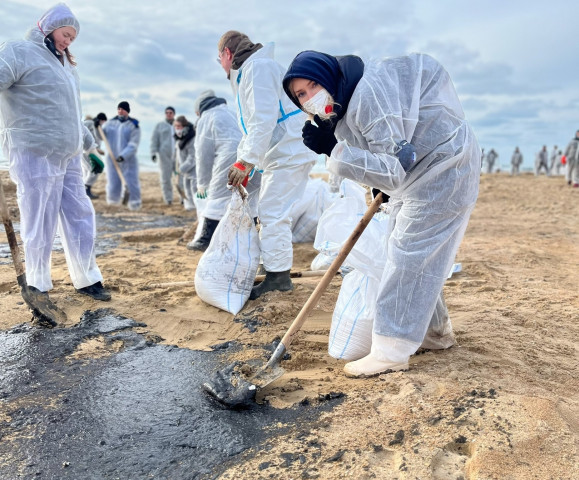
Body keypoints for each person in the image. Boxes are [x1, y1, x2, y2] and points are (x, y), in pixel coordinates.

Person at [283, 50, 480, 377]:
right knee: (406, 253)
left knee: (409, 252)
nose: (310, 98)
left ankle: (391, 350)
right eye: (301, 95)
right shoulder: (342, 106)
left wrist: (332, 149)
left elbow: (392, 167)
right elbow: (385, 156)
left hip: (443, 169)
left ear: (329, 77)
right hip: (418, 173)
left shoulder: (366, 95)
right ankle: (435, 333)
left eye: (314, 85)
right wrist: (377, 181)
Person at [0, 3, 111, 304]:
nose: (68, 41)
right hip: (34, 150)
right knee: (39, 218)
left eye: (73, 38)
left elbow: (72, 113)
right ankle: (37, 282)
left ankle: (87, 277)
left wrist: (89, 146)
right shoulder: (18, 51)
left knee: (80, 214)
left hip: (69, 154)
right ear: (48, 27)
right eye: (66, 34)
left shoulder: (67, 66)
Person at [217, 31, 317, 298]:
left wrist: (246, 162)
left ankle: (279, 278)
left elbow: (263, 120)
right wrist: (246, 161)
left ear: (227, 54)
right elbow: (253, 128)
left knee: (273, 211)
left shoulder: (257, 68)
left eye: (220, 60)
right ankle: (274, 267)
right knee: (270, 209)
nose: (221, 67)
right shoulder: (253, 70)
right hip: (283, 152)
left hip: (290, 150)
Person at [102, 101, 142, 210]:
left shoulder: (133, 125)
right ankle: (113, 202)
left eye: (123, 109)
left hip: (128, 160)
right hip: (112, 158)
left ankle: (134, 204)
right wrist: (97, 125)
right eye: (119, 109)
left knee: (131, 182)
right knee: (113, 181)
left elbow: (133, 144)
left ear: (127, 111)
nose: (120, 111)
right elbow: (101, 135)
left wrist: (123, 156)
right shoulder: (110, 123)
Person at [151, 106, 177, 205]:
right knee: (165, 179)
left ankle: (184, 199)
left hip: (178, 156)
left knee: (181, 178)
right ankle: (168, 199)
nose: (168, 114)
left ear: (174, 114)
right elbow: (154, 140)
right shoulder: (160, 126)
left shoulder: (178, 124)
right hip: (164, 155)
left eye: (170, 112)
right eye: (167, 113)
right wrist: (153, 153)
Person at [172, 115, 196, 211]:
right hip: (185, 171)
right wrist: (177, 168)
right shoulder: (180, 140)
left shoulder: (191, 138)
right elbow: (178, 157)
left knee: (195, 189)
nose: (176, 129)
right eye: (175, 127)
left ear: (184, 127)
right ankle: (189, 207)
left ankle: (198, 207)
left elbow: (192, 158)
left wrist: (180, 169)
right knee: (186, 189)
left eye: (178, 126)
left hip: (194, 170)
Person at [82, 113, 107, 199]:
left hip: (91, 151)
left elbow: (101, 137)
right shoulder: (89, 123)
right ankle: (86, 189)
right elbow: (83, 134)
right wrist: (96, 149)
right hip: (87, 151)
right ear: (101, 120)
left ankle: (85, 191)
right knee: (95, 168)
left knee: (86, 171)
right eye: (103, 122)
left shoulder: (97, 126)